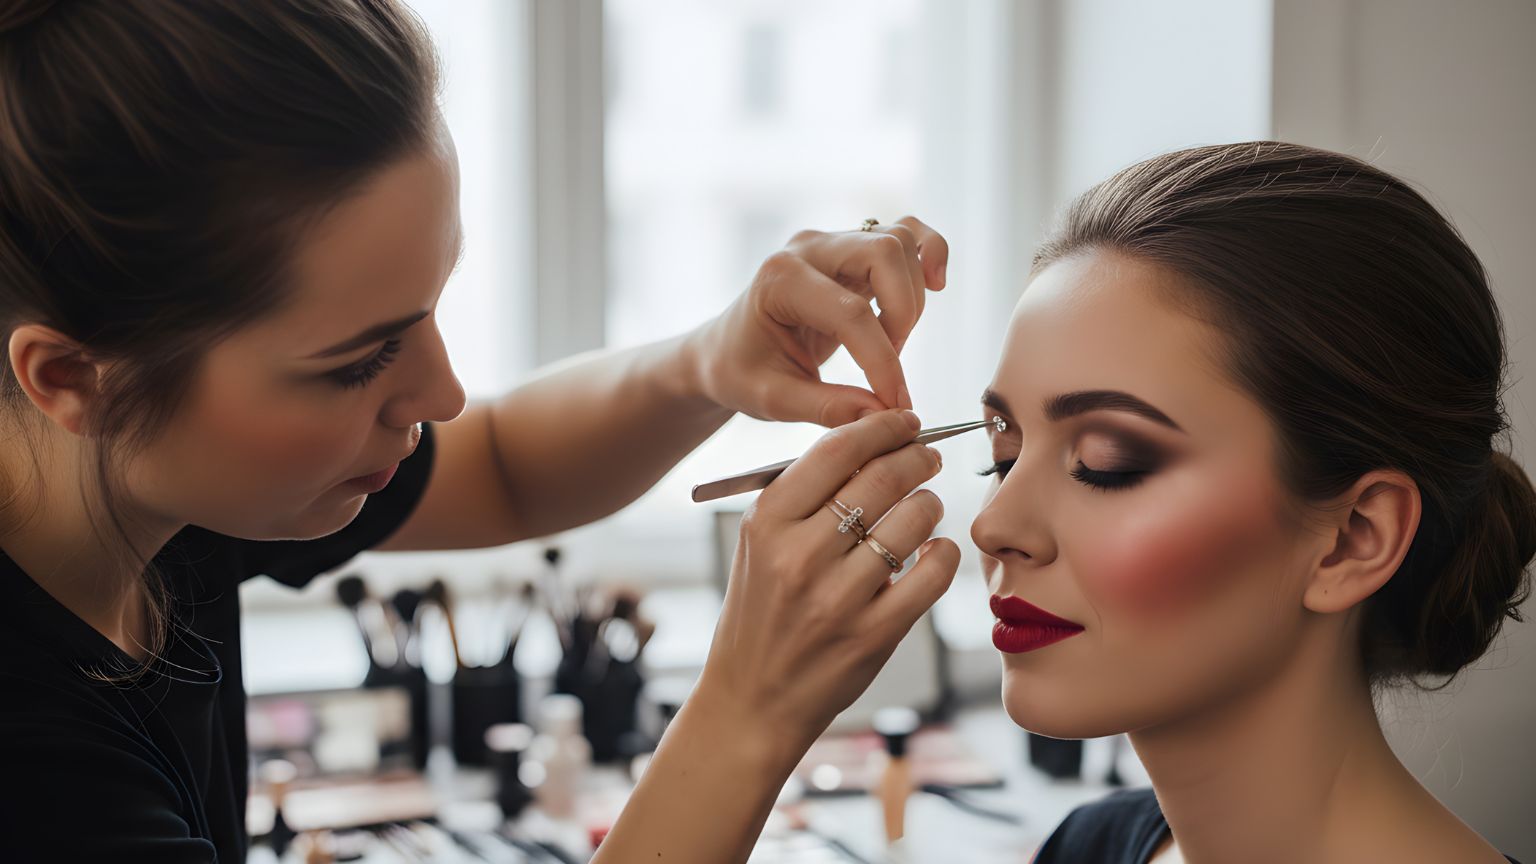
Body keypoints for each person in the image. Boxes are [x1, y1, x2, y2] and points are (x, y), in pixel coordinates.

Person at [0, 1, 956, 860]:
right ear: (76, 378)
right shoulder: (37, 775)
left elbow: (504, 466)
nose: (445, 391)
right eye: (359, 361)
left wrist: (712, 360)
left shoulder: (151, 491)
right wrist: (749, 712)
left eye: (431, 309)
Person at [593, 143, 1535, 863]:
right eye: (1002, 456)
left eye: (1106, 462)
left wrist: (742, 720)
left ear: (1352, 541)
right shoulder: (1090, 846)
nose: (995, 527)